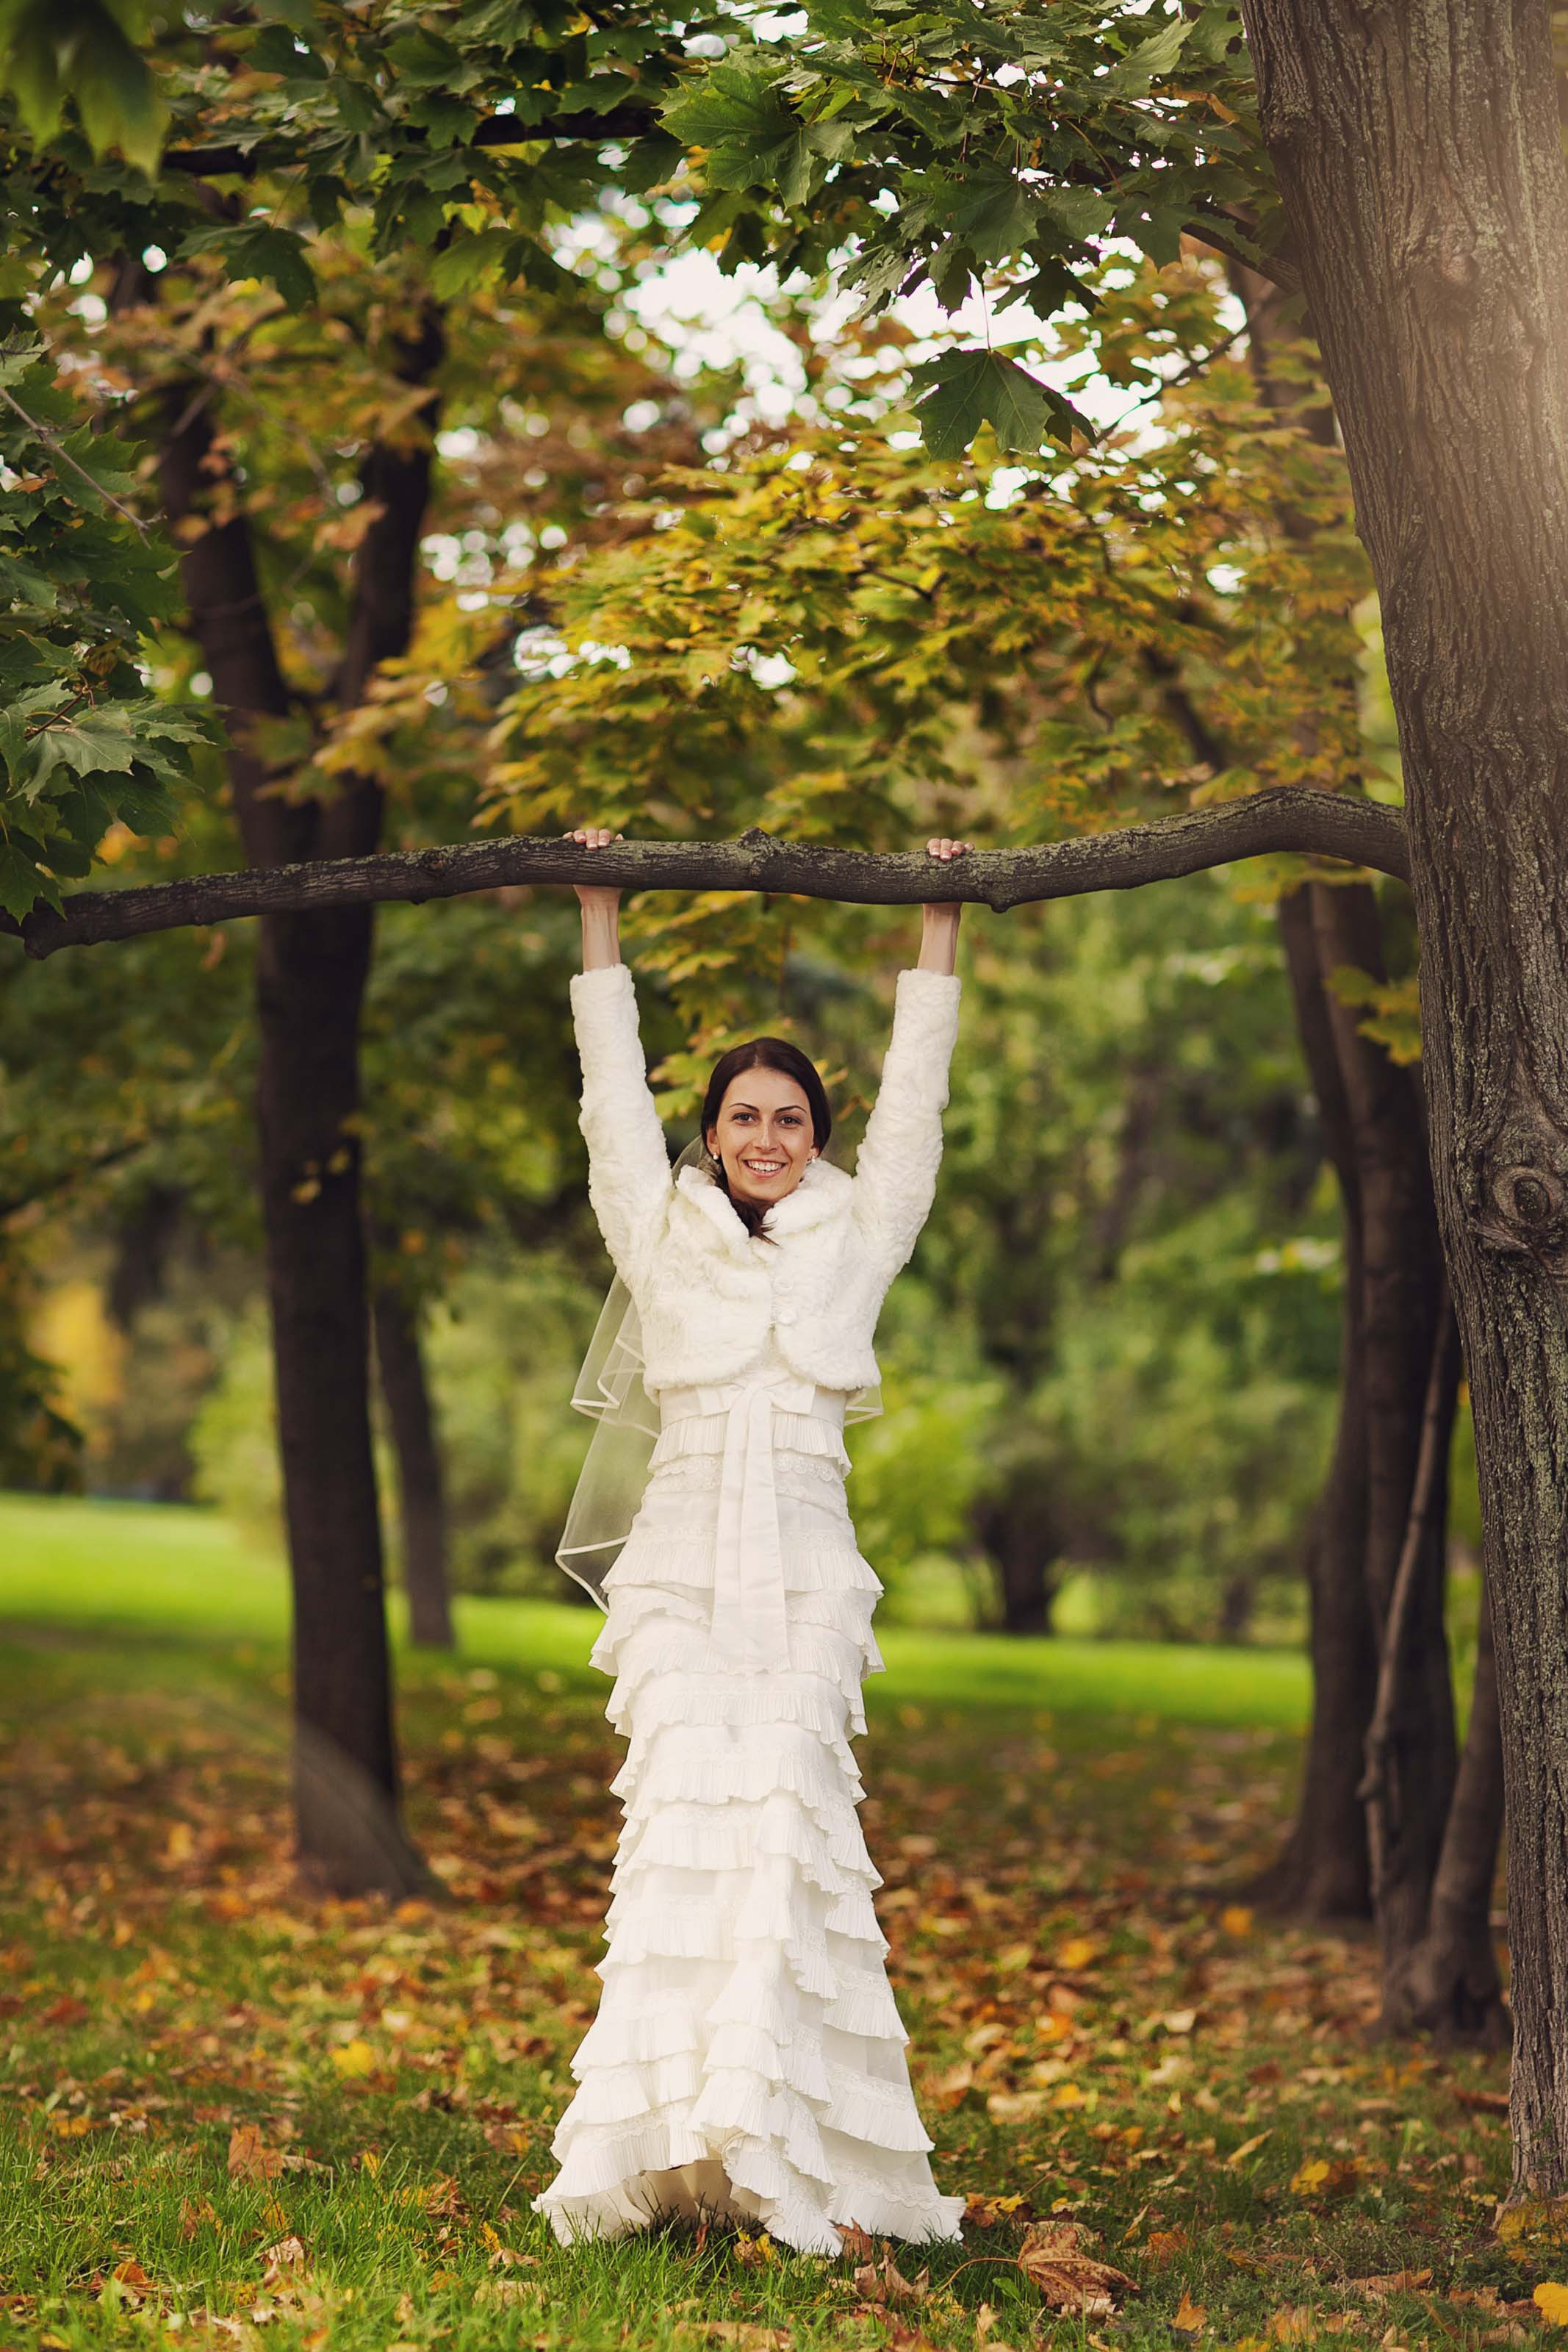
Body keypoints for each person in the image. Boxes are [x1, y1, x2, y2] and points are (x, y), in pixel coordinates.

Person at [534, 826, 972, 2257]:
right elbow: (607, 1111)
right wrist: (598, 920)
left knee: (787, 1837)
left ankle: (781, 2156)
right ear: (711, 1134)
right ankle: (663, 2158)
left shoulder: (860, 1237)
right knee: (676, 1851)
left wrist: (936, 926)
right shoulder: (655, 1239)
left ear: (815, 1137)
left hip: (803, 1584)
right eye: (743, 1118)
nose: (767, 1139)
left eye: (790, 1118)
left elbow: (915, 1113)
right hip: (675, 1586)